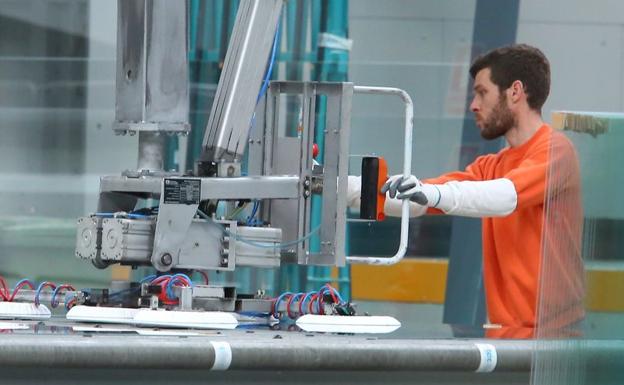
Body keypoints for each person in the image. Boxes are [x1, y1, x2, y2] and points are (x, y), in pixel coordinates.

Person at [348, 44, 584, 335]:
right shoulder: (490, 166)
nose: (473, 104)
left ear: (515, 92)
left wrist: (433, 194)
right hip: (506, 340)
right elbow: (420, 201)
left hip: (553, 346)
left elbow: (505, 196)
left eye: (482, 92)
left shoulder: (556, 151)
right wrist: (341, 188)